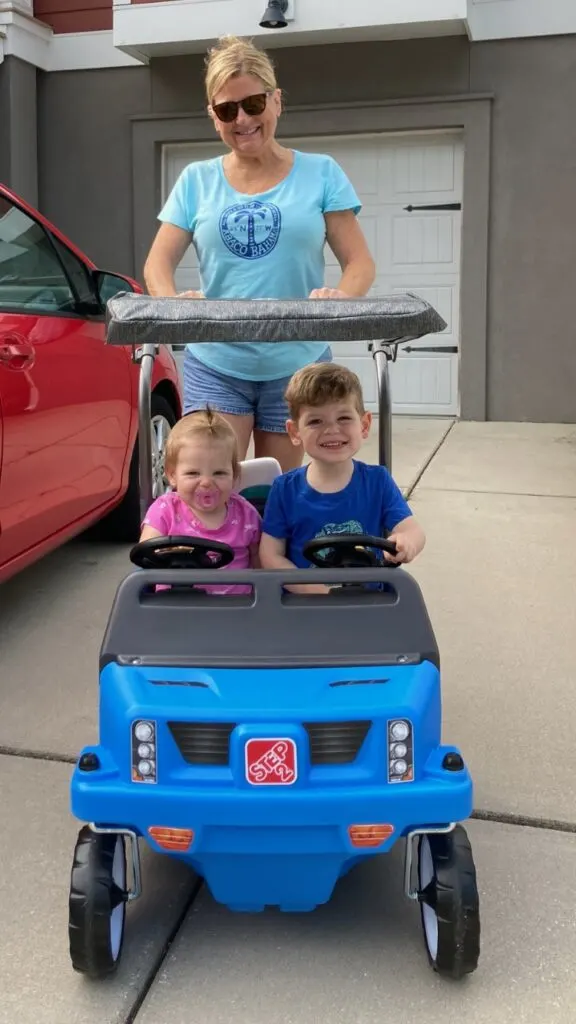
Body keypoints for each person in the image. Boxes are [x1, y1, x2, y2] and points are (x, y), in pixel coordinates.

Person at [143, 34, 375, 473]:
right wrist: (171, 301)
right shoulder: (196, 180)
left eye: (253, 103)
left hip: (297, 362)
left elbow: (359, 263)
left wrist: (340, 299)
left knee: (278, 493)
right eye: (227, 109)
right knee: (212, 491)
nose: (242, 119)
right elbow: (157, 263)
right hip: (217, 360)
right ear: (213, 116)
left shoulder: (321, 173)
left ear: (277, 101)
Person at [259, 363, 426, 594]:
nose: (331, 430)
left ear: (364, 425)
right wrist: (313, 589)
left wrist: (406, 542)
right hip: (304, 604)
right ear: (295, 432)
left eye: (344, 418)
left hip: (369, 601)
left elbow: (413, 531)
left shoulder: (377, 482)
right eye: (316, 421)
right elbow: (270, 554)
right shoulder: (284, 489)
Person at [140, 407, 261, 595]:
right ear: (172, 475)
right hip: (176, 605)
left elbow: (260, 563)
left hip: (238, 611)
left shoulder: (247, 514)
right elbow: (146, 554)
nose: (206, 482)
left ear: (234, 475)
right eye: (193, 473)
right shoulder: (165, 510)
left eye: (219, 473)